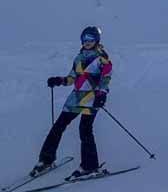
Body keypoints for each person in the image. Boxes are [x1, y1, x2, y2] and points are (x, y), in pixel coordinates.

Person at [30, 26, 112, 179]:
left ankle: (90, 166)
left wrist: (102, 94)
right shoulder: (79, 58)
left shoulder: (102, 59)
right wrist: (60, 80)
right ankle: (46, 160)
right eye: (85, 39)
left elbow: (105, 78)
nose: (87, 42)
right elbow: (72, 78)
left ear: (96, 40)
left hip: (92, 98)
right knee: (58, 126)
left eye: (91, 39)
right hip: (75, 98)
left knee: (85, 130)